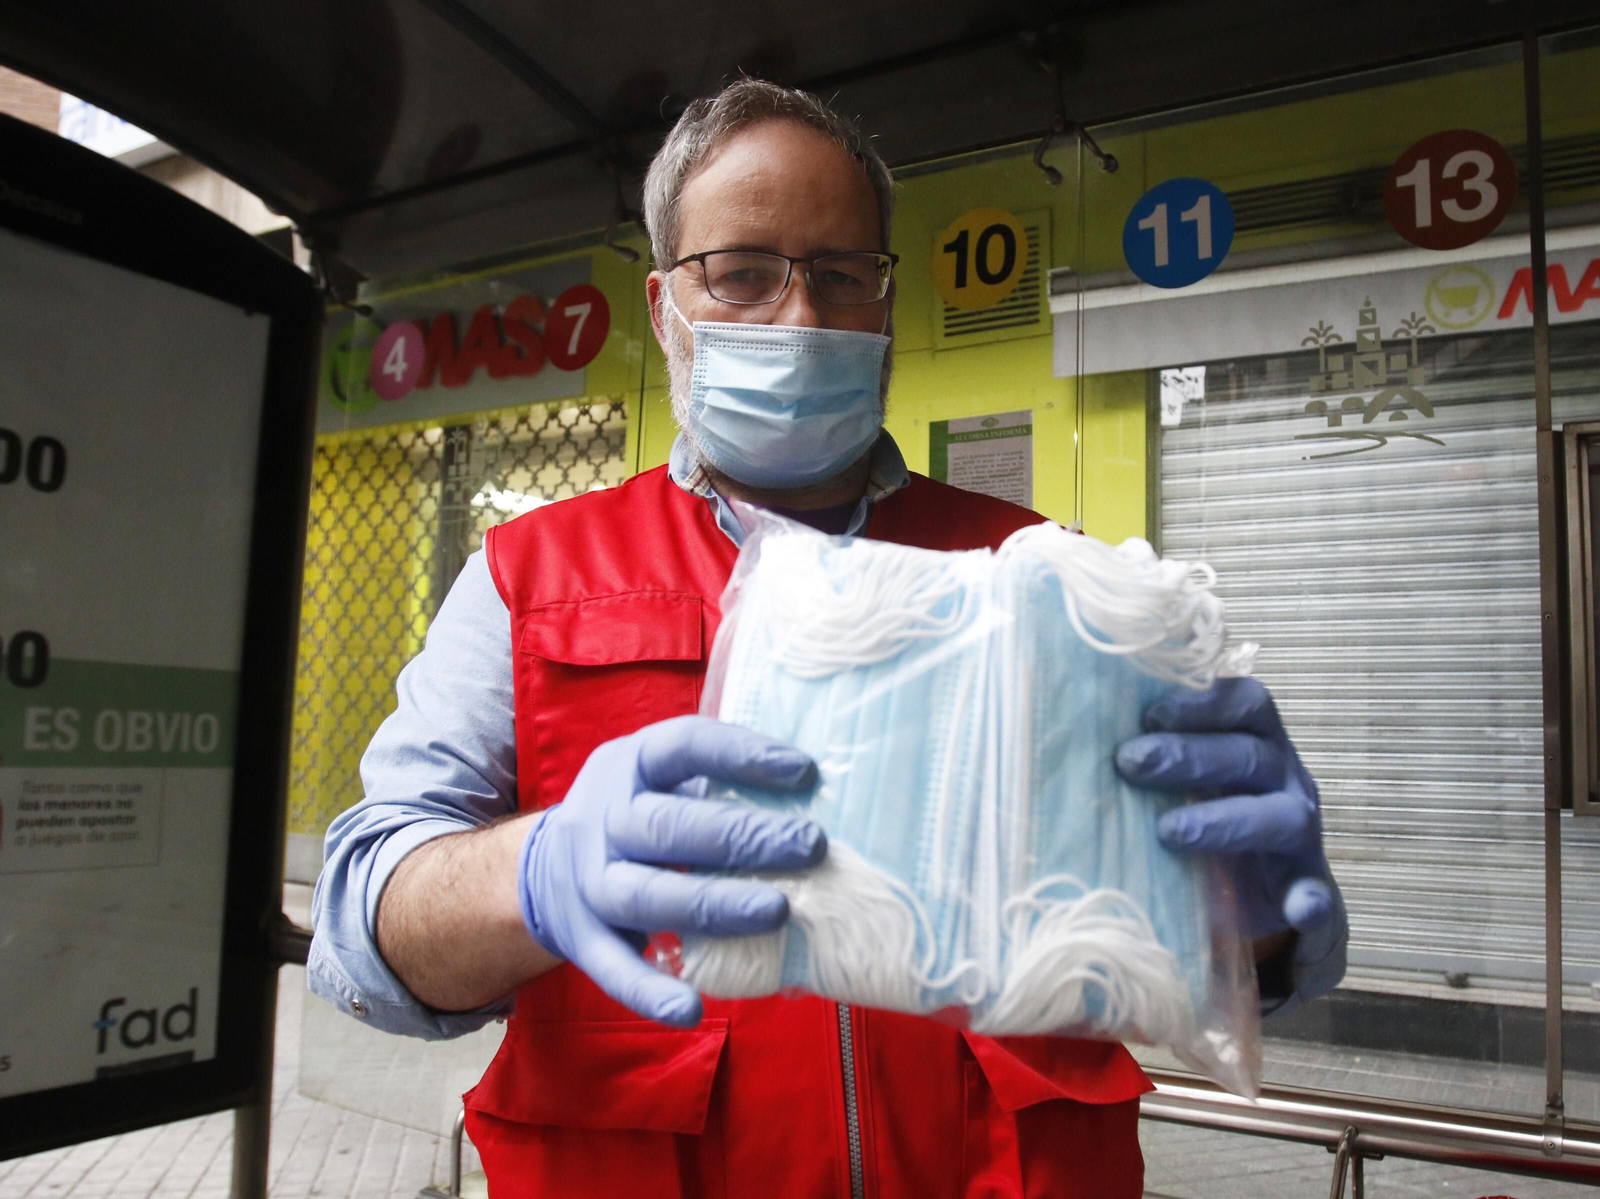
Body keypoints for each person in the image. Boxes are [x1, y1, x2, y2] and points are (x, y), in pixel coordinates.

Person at [309, 78, 1347, 1198]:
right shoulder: (530, 574)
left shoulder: (1038, 580)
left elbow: (1211, 949)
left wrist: (1256, 929)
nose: (799, 318)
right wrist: (540, 866)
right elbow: (364, 932)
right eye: (743, 271)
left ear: (885, 306)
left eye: (842, 273)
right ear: (665, 308)